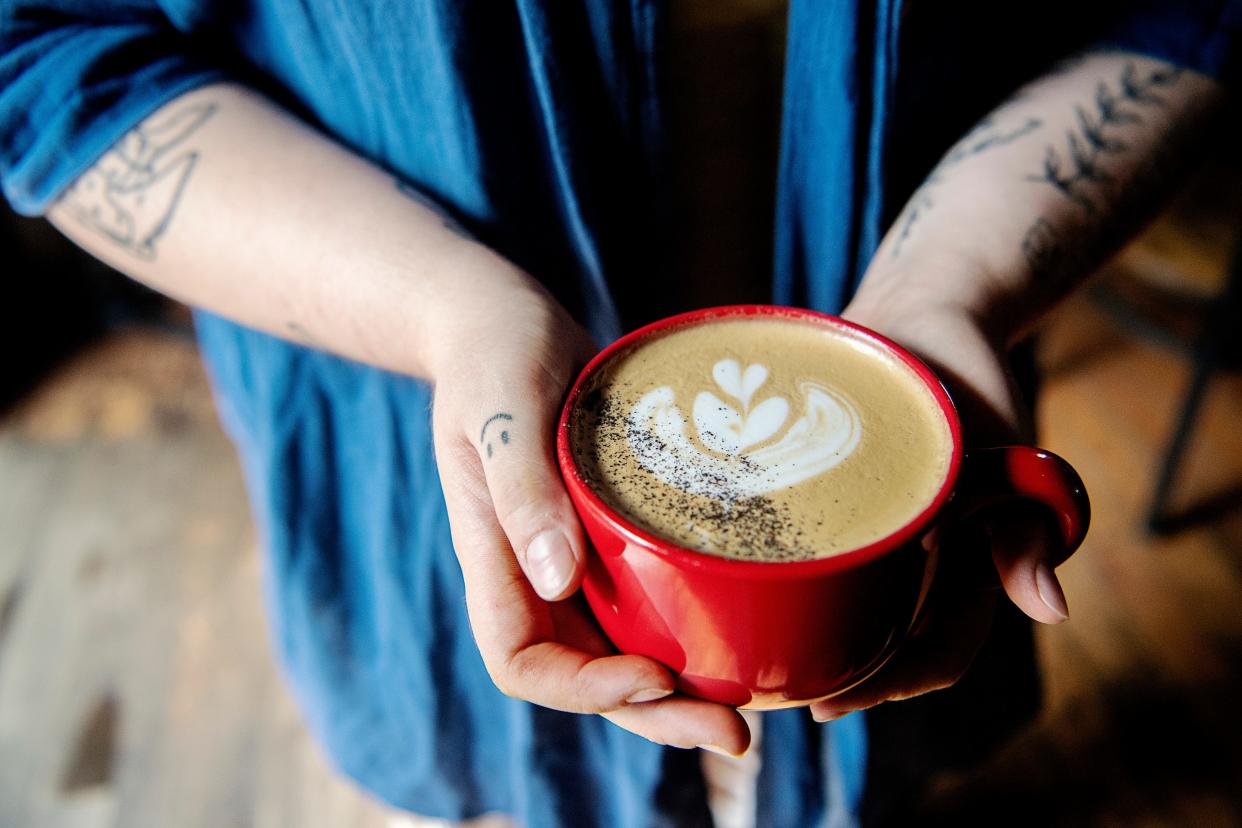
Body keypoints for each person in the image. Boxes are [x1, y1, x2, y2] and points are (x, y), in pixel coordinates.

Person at [0, 1, 1235, 825]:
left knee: (867, 749)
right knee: (512, 761)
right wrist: (449, 311)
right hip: (411, 380)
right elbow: (43, 49)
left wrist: (954, 283)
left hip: (919, 333)